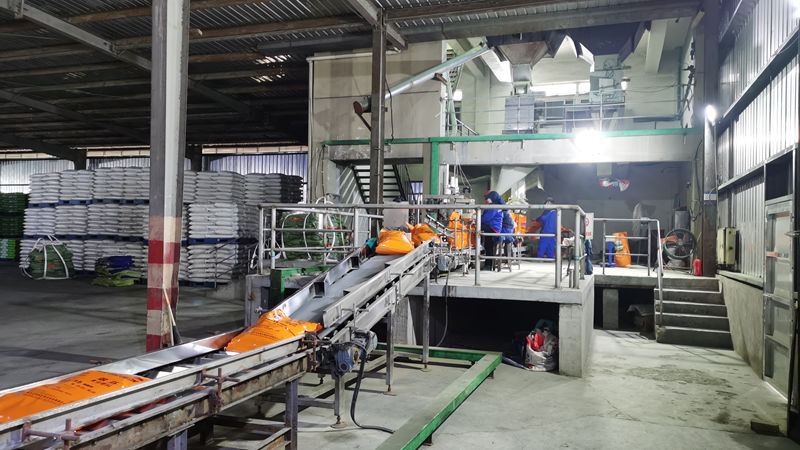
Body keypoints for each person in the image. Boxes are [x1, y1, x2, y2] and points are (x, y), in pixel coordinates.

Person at [481, 191, 504, 270]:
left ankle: (488, 265)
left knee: (489, 246)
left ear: (492, 198)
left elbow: (485, 218)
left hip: (492, 229)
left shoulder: (494, 207)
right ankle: (488, 264)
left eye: (488, 198)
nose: (487, 200)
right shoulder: (497, 206)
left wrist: (476, 219)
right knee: (488, 246)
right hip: (494, 228)